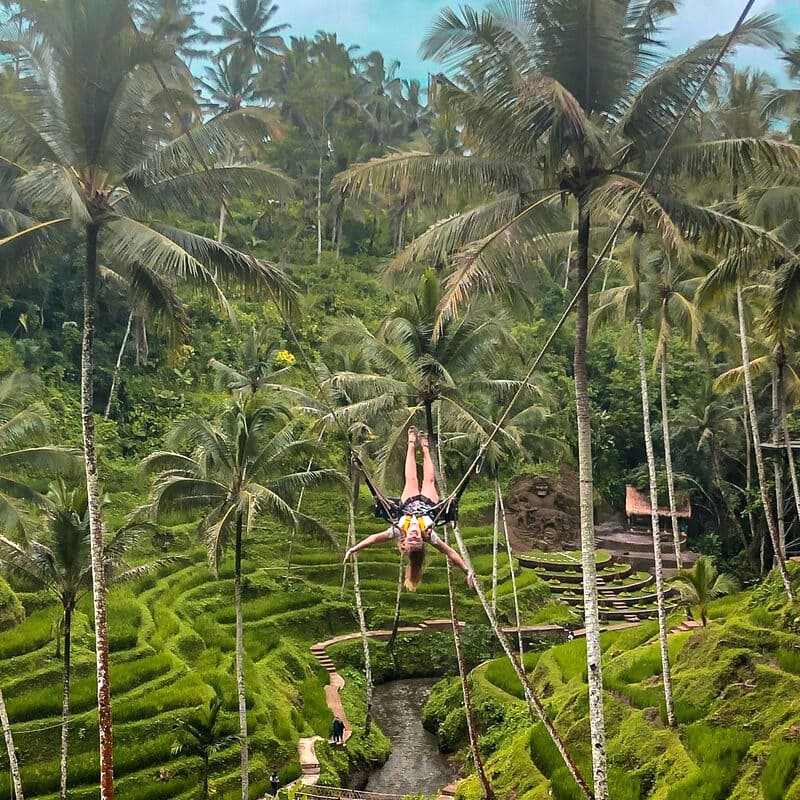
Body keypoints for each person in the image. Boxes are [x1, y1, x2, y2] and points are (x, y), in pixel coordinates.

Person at [343, 426, 475, 591]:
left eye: (411, 540)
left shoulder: (398, 531)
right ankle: (425, 447)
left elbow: (373, 539)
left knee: (411, 479)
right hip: (429, 505)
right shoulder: (429, 535)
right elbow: (450, 553)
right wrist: (466, 570)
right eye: (417, 540)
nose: (414, 536)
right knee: (429, 481)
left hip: (407, 504)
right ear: (421, 541)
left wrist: (353, 549)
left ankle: (411, 443)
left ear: (404, 541)